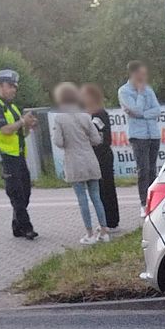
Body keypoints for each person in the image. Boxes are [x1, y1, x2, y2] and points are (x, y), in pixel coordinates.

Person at [50, 82, 110, 245]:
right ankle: (104, 231)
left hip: (74, 163)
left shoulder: (60, 119)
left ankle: (89, 234)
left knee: (82, 199)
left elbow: (59, 142)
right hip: (90, 160)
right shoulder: (85, 116)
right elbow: (97, 139)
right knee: (96, 197)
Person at [0, 69, 38, 239]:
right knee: (16, 193)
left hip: (19, 155)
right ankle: (27, 228)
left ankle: (17, 226)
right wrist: (22, 121)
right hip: (6, 156)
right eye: (10, 86)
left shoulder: (12, 107)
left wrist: (28, 127)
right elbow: (5, 130)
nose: (14, 90)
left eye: (15, 87)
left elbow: (19, 133)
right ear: (0, 86)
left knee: (26, 193)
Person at [117, 61, 162, 207]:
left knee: (152, 170)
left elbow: (157, 110)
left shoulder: (149, 89)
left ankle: (154, 202)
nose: (144, 76)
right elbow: (135, 110)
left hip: (153, 134)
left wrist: (142, 114)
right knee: (143, 170)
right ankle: (144, 204)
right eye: (141, 74)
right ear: (134, 73)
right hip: (138, 136)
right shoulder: (124, 91)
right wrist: (141, 94)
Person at [81, 83, 120, 232]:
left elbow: (101, 136)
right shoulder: (86, 113)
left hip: (103, 156)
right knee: (98, 190)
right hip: (92, 156)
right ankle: (104, 221)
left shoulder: (100, 113)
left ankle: (112, 221)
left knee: (107, 189)